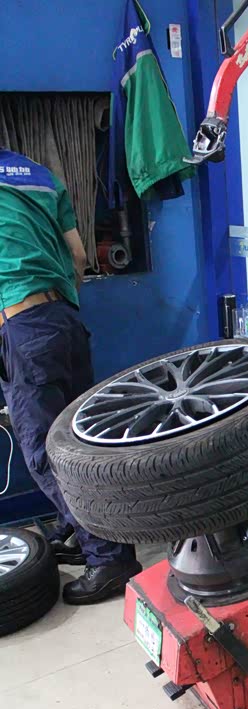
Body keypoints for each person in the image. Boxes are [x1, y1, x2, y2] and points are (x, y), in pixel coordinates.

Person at [0, 147, 141, 604]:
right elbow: (79, 256)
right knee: (79, 446)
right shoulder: (37, 175)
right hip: (64, 320)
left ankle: (110, 558)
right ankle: (83, 534)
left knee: (44, 452)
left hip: (22, 326)